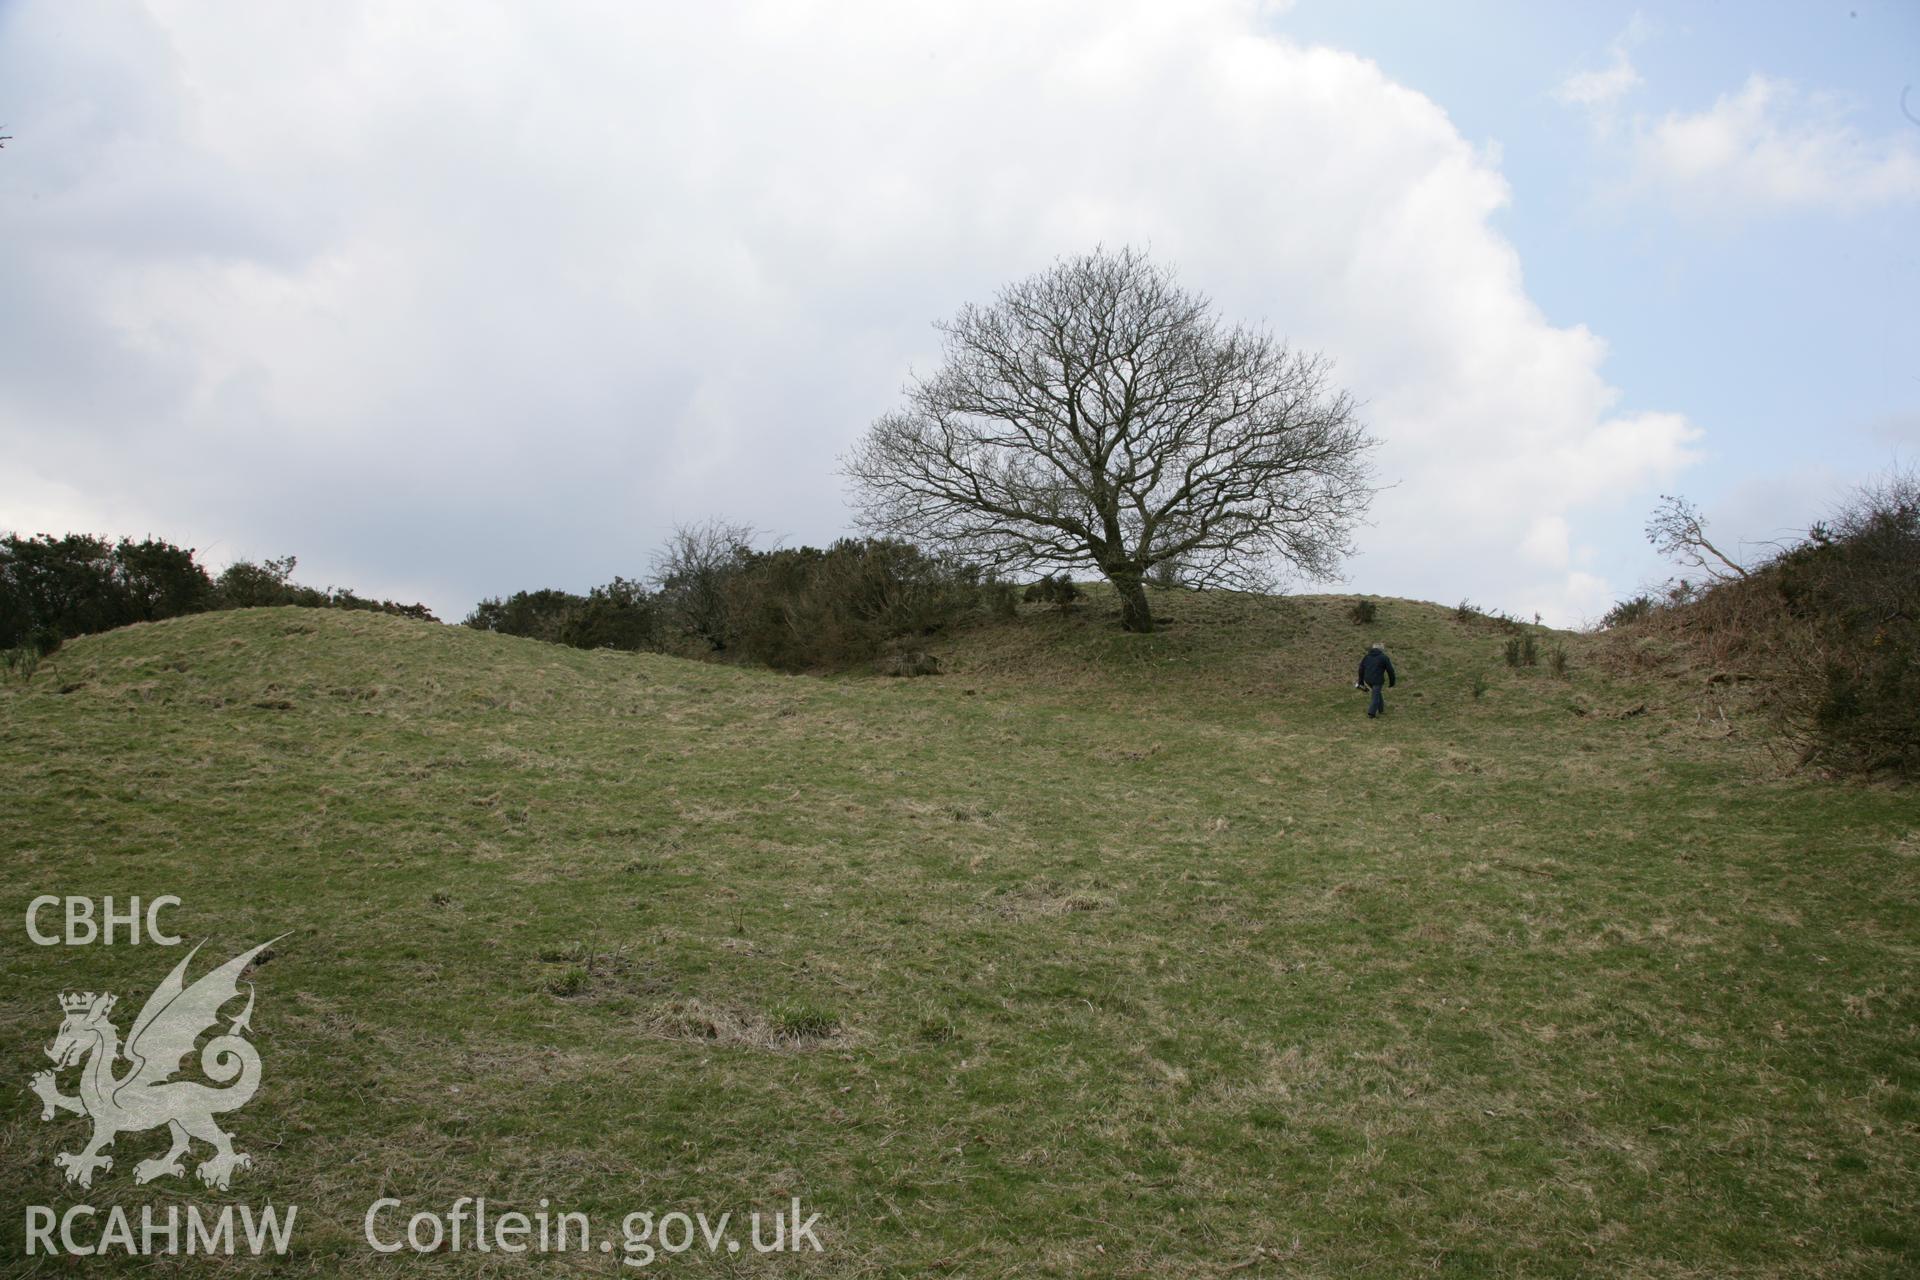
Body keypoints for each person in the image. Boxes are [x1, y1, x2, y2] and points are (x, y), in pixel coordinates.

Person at [1356, 642, 1396, 718]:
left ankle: (1381, 710)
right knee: (1375, 696)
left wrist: (1361, 681)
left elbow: (1361, 669)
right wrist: (1392, 682)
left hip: (1367, 679)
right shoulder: (1384, 658)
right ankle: (1371, 713)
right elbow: (1390, 671)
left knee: (1377, 693)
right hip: (1377, 680)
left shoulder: (1367, 657)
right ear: (1381, 649)